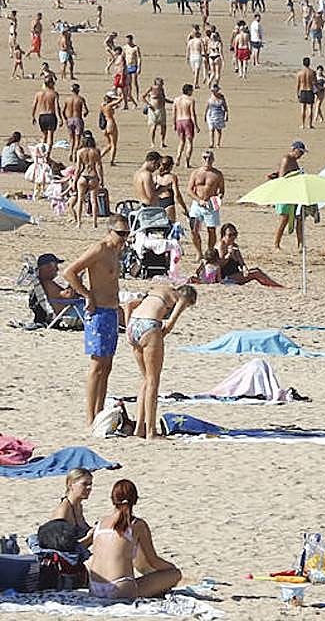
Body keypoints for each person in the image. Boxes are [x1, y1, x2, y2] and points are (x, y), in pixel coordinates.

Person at [63, 215, 129, 425]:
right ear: (110, 231)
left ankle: (99, 413)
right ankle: (90, 417)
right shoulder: (99, 249)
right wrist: (87, 295)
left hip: (110, 311)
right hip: (98, 311)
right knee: (97, 365)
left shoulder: (117, 251)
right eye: (120, 233)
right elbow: (69, 272)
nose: (124, 238)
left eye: (127, 234)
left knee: (107, 366)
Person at [87, 479, 180, 599]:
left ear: (113, 500)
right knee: (175, 574)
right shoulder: (137, 524)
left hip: (95, 588)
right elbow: (153, 561)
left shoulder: (100, 523)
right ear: (135, 500)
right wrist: (170, 567)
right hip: (120, 588)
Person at [126, 284, 197, 440]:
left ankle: (139, 428)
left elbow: (129, 305)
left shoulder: (158, 290)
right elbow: (170, 323)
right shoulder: (182, 298)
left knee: (145, 380)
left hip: (133, 324)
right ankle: (151, 431)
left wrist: (127, 330)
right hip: (149, 325)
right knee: (153, 381)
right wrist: (156, 338)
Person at [216, 223, 282, 287]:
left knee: (257, 270)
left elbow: (242, 263)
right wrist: (229, 254)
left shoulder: (233, 246)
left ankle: (273, 285)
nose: (233, 237)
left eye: (235, 234)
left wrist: (245, 269)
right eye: (230, 235)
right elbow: (220, 264)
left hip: (235, 274)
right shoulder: (221, 245)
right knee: (256, 273)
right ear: (223, 235)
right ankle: (278, 286)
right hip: (225, 277)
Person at [186, 150, 225, 257]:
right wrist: (199, 200)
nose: (207, 160)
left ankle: (210, 252)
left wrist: (218, 198)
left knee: (211, 230)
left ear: (213, 159)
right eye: (205, 158)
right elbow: (189, 190)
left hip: (211, 205)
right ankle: (199, 252)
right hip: (197, 205)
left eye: (209, 158)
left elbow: (221, 190)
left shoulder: (217, 174)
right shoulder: (196, 173)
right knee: (194, 229)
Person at [51, 468, 94, 548]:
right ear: (70, 485)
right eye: (84, 484)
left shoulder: (78, 506)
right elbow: (61, 548)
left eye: (90, 484)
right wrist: (89, 538)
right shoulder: (64, 510)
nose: (89, 487)